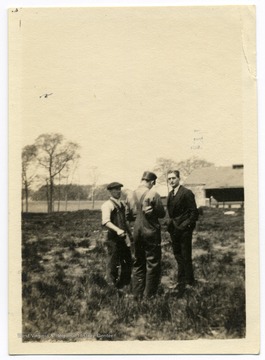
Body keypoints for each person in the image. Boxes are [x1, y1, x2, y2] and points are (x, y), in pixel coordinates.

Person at [126, 171, 165, 299]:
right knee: (152, 262)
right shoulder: (153, 194)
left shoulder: (130, 194)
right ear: (152, 182)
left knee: (138, 262)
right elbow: (161, 213)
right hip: (150, 230)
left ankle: (137, 294)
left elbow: (128, 216)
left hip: (136, 231)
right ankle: (149, 295)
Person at [167, 170, 198, 294]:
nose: (171, 181)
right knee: (178, 255)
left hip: (184, 230)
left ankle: (190, 282)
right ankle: (181, 281)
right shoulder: (170, 194)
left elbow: (194, 213)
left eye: (174, 178)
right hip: (174, 230)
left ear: (179, 178)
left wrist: (184, 226)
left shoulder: (186, 193)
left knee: (186, 256)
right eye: (169, 179)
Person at [101, 182, 132, 289]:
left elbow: (125, 221)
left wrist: (129, 235)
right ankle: (111, 286)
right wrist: (117, 230)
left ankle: (124, 284)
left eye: (119, 189)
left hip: (123, 238)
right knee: (112, 263)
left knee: (127, 261)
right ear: (110, 191)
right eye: (115, 190)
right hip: (112, 238)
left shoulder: (122, 204)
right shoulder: (107, 205)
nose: (118, 191)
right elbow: (105, 222)